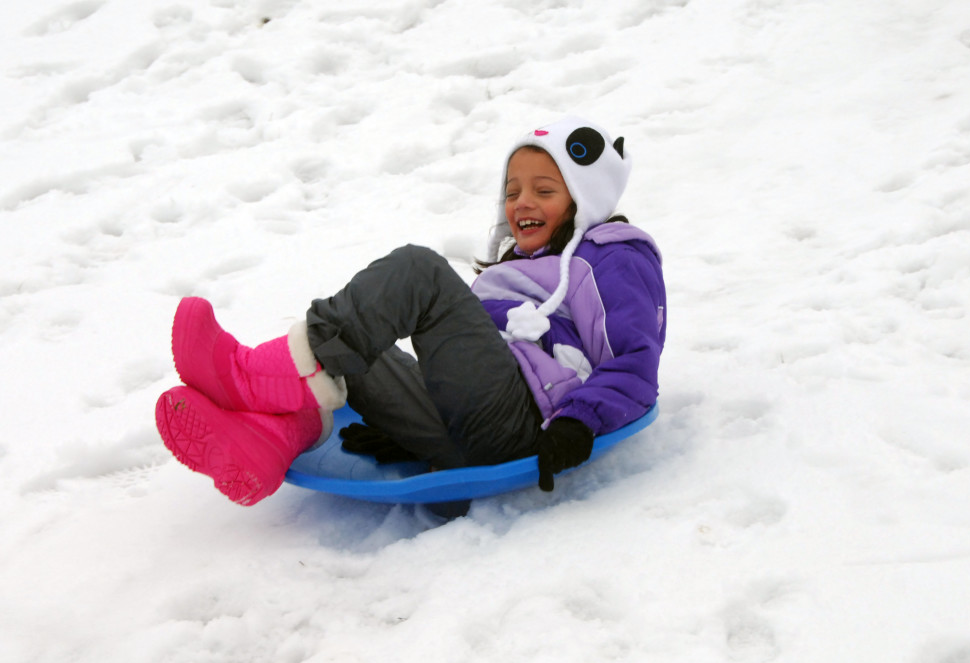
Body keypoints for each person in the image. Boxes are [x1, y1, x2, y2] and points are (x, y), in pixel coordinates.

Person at [155, 115, 666, 506]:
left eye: (544, 190)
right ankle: (269, 441)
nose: (521, 203)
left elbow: (636, 362)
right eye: (512, 192)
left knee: (418, 271)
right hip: (463, 432)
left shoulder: (612, 255)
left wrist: (578, 423)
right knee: (354, 350)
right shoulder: (517, 269)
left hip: (530, 422)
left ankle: (248, 376)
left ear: (585, 198)